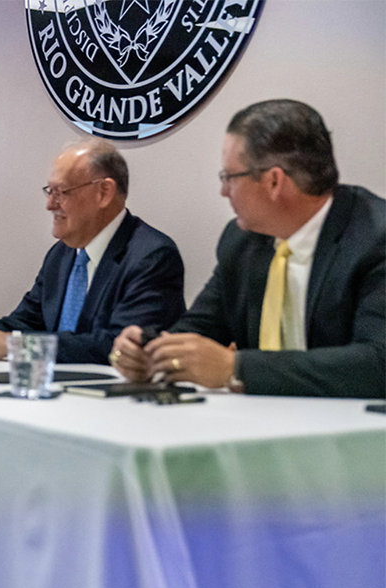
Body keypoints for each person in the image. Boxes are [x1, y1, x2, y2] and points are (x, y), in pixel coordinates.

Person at [110, 99, 386, 398]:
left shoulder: (375, 237)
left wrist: (236, 368)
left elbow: (376, 363)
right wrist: (150, 353)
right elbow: (199, 328)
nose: (223, 191)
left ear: (273, 181)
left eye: (229, 177)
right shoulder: (241, 241)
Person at [0, 139, 185, 364]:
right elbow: (27, 322)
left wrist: (17, 347)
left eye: (61, 192)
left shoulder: (151, 256)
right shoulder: (61, 255)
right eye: (49, 191)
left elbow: (118, 348)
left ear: (103, 192)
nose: (49, 205)